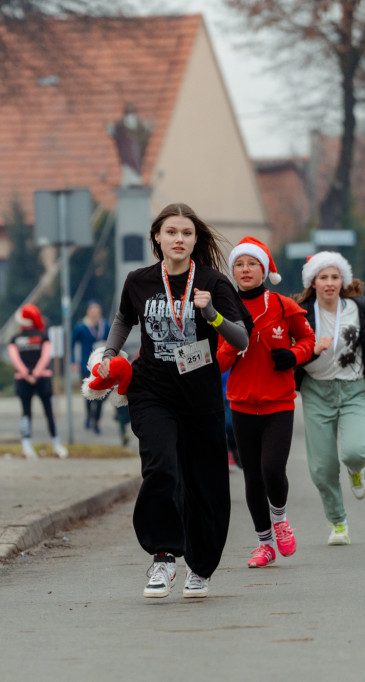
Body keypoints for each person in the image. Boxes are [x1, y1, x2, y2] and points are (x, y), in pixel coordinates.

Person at [96, 202, 251, 599]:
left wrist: (212, 314)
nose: (178, 239)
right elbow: (124, 318)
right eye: (171, 232)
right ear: (157, 238)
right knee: (161, 468)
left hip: (200, 396)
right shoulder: (139, 281)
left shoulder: (213, 283)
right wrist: (109, 353)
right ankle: (163, 557)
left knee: (205, 484)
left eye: (186, 233)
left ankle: (199, 567)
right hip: (152, 391)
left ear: (195, 240)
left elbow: (241, 338)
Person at [217, 237, 315, 568]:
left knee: (272, 469)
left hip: (278, 404)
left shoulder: (283, 306)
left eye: (252, 264)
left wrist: (294, 355)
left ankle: (281, 521)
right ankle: (264, 544)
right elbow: (218, 362)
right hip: (241, 404)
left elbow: (308, 339)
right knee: (252, 477)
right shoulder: (225, 310)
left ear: (264, 270)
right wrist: (234, 345)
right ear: (233, 272)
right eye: (239, 265)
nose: (245, 270)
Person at [293, 251, 365, 546]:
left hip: (353, 389)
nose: (329, 283)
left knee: (355, 452)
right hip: (317, 391)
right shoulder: (301, 313)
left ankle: (356, 469)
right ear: (313, 282)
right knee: (322, 468)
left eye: (335, 277)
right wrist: (312, 350)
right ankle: (338, 523)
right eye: (323, 277)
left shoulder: (360, 308)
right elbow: (289, 350)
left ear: (343, 281)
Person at [8, 304, 67, 459]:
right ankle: (56, 444)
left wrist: (27, 374)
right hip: (43, 378)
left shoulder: (15, 339)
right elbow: (46, 357)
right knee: (49, 412)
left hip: (22, 379)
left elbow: (15, 359)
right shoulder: (43, 337)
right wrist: (36, 373)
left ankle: (26, 446)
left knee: (25, 413)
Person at [72, 300, 108, 434]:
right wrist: (73, 361)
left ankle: (96, 421)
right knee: (88, 393)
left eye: (97, 310)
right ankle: (88, 415)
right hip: (86, 366)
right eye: (93, 310)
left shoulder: (105, 325)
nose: (95, 313)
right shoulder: (81, 327)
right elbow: (71, 343)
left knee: (101, 395)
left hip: (102, 365)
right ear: (88, 312)